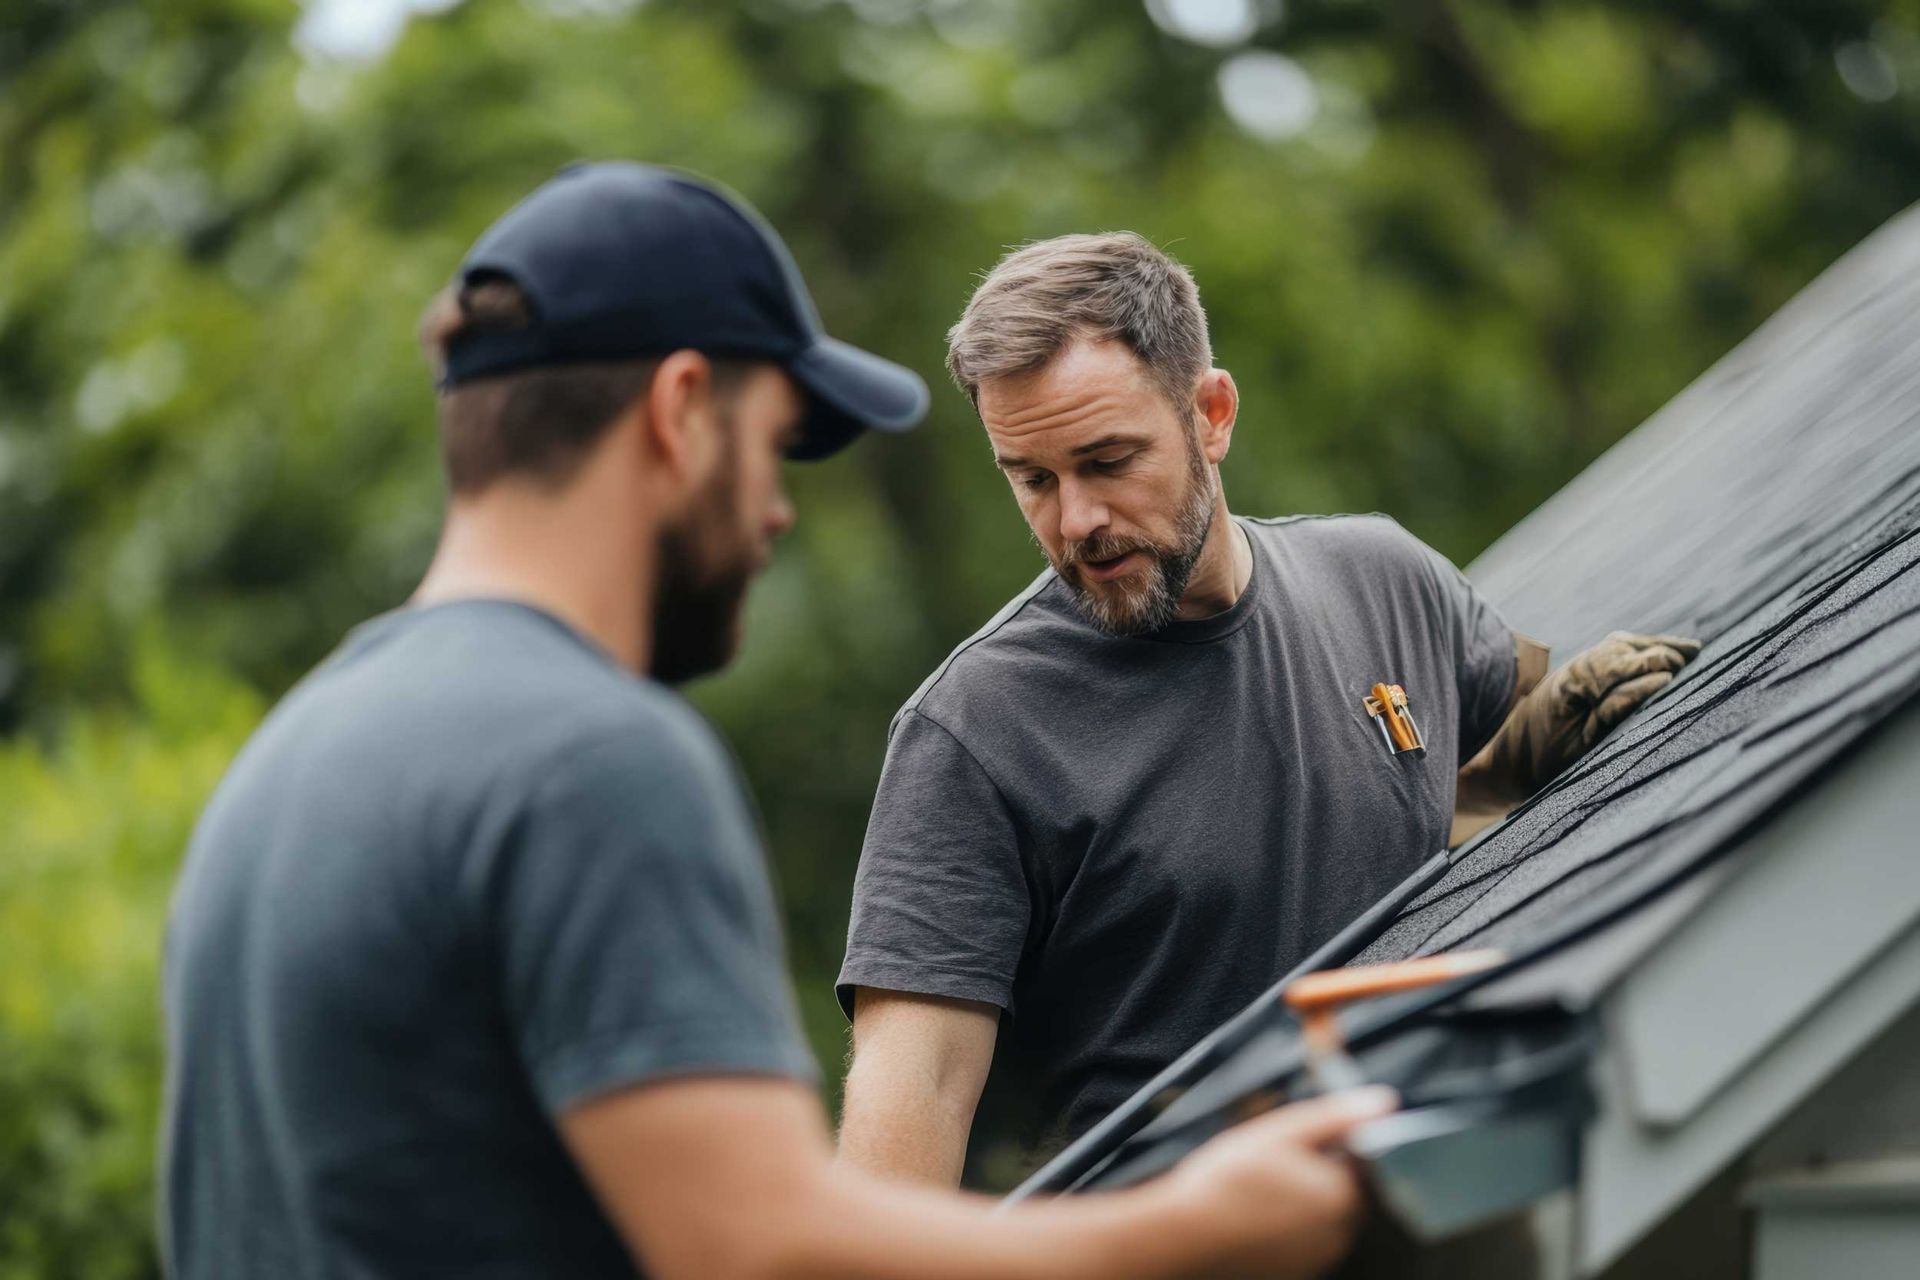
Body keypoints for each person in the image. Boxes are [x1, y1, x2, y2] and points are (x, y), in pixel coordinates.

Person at [159, 163, 1395, 1280]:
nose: (777, 513)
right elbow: (772, 1252)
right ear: (681, 409)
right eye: (772, 445)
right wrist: (1203, 1223)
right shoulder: (587, 758)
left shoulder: (285, 764)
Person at [836, 232, 1698, 1185]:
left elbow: (1462, 823)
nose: (1075, 520)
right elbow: (910, 1110)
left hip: (1439, 1197)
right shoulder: (975, 730)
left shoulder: (1390, 581)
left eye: (1108, 460)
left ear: (1211, 414)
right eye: (1032, 479)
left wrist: (1545, 739)